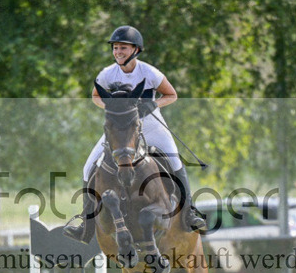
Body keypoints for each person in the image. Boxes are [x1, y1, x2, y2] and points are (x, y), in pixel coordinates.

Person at [64, 26, 206, 242]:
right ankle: (86, 222)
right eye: (115, 48)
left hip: (150, 125)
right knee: (88, 167)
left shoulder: (149, 72)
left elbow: (172, 95)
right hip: (120, 128)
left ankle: (189, 213)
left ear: (136, 50)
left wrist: (153, 104)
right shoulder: (106, 74)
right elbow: (95, 96)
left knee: (176, 162)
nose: (118, 52)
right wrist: (112, 110)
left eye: (122, 48)